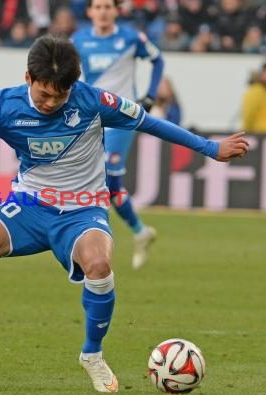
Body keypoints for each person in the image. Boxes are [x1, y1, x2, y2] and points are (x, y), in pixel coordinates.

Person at [0, 35, 249, 393]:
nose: (51, 103)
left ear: (74, 86)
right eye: (43, 94)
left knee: (99, 265)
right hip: (31, 203)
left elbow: (149, 122)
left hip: (83, 208)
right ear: (28, 79)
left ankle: (92, 355)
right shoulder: (5, 107)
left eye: (60, 96)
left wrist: (209, 147)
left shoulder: (94, 101)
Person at [71, 0, 164, 270]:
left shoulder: (132, 38)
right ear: (89, 12)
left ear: (116, 11)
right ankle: (140, 231)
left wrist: (151, 94)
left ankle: (92, 243)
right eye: (97, 7)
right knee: (112, 187)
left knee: (107, 177)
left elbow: (158, 59)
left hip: (122, 118)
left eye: (107, 6)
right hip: (91, 118)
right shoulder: (79, 40)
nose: (102, 11)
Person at [241, 62, 266, 134]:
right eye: (265, 71)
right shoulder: (255, 91)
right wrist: (245, 133)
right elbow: (248, 113)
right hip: (259, 134)